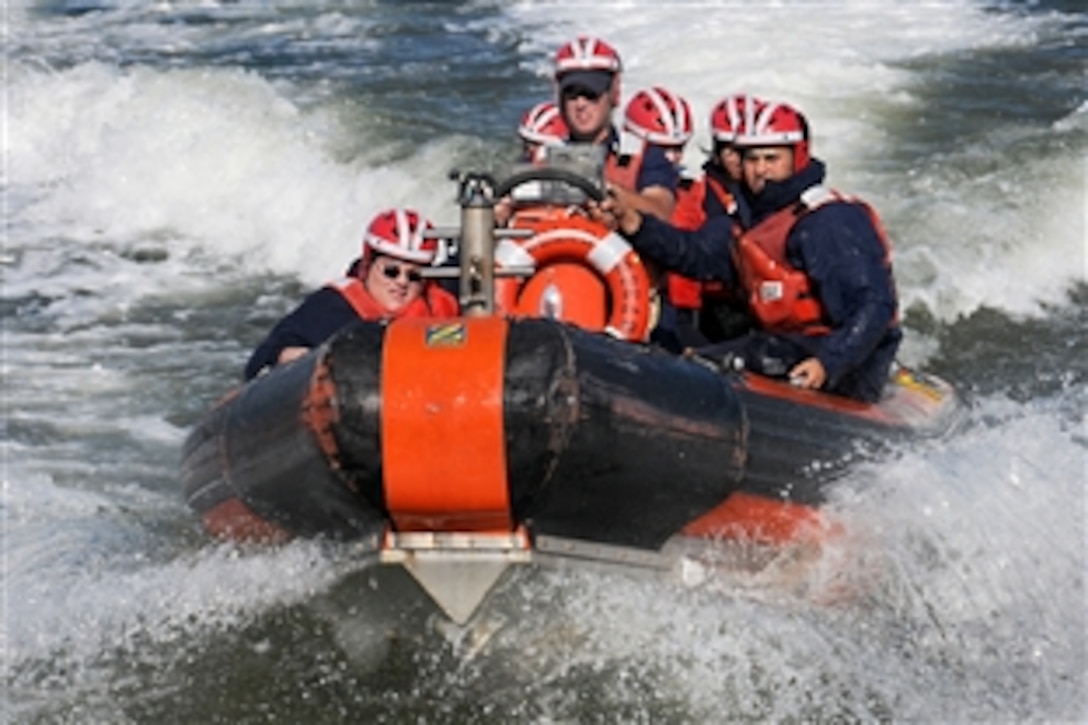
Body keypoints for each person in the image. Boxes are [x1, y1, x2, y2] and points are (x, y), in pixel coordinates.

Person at [591, 99, 901, 402]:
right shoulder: (750, 223)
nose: (760, 170)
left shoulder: (828, 221)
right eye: (752, 160)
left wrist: (829, 363)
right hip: (785, 347)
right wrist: (635, 224)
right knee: (698, 361)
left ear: (798, 157)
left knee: (738, 360)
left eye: (771, 159)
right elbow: (693, 254)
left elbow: (874, 303)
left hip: (848, 361)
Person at [244, 208, 459, 380]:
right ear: (368, 265)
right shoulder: (332, 307)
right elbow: (263, 359)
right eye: (391, 271)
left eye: (414, 275)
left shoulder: (437, 296)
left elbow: (464, 263)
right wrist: (295, 357)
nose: (401, 282)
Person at [552, 35, 678, 221]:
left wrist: (606, 191)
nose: (580, 104)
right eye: (571, 93)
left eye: (590, 93)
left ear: (615, 92)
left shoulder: (644, 155)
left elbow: (661, 209)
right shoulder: (541, 155)